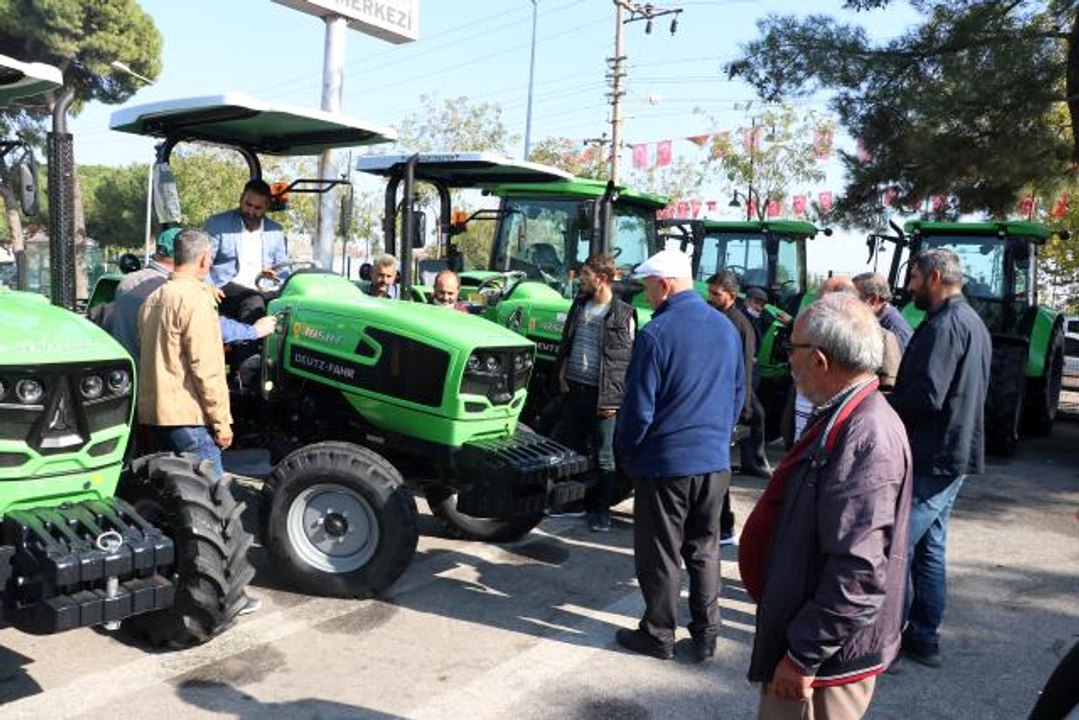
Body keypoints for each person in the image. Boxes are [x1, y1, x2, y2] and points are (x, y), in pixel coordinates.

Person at [740, 292, 912, 720]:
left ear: (819, 359)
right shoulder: (845, 414)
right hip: (816, 646)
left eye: (791, 349)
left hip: (824, 662)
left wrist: (803, 655)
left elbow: (859, 570)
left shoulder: (865, 434)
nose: (789, 360)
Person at [614, 249, 744, 664]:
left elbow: (639, 408)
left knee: (661, 553)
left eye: (650, 288)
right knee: (705, 548)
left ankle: (658, 634)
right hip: (714, 462)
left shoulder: (657, 333)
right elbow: (738, 391)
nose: (647, 296)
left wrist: (626, 450)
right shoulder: (725, 328)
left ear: (666, 284)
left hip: (667, 464)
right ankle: (706, 636)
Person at [888, 248, 991, 669]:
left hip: (935, 455)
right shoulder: (968, 321)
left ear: (932, 277)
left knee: (895, 549)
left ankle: (885, 643)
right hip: (952, 454)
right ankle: (923, 637)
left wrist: (881, 406)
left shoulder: (947, 324)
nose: (909, 286)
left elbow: (927, 396)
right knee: (930, 549)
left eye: (913, 277)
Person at [137, 229, 234, 478]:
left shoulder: (152, 299)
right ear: (204, 259)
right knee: (214, 498)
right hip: (189, 418)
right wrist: (221, 423)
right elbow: (206, 369)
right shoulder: (197, 301)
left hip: (154, 416)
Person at [108, 226, 276, 366]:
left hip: (130, 374)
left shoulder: (127, 282)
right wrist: (255, 331)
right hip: (165, 381)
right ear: (186, 256)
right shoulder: (176, 293)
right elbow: (214, 328)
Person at [552, 253, 636, 533]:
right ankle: (570, 504)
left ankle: (601, 511)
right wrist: (563, 372)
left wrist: (614, 400)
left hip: (603, 397)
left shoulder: (624, 314)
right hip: (574, 389)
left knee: (604, 455)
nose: (581, 278)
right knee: (571, 450)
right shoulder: (579, 305)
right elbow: (568, 341)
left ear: (600, 279)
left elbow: (624, 362)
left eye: (586, 274)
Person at [707, 271, 769, 548]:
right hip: (710, 402)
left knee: (717, 470)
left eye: (716, 294)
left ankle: (725, 525)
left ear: (731, 296)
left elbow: (743, 372)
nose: (711, 298)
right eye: (710, 293)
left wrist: (739, 412)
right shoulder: (713, 318)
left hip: (724, 408)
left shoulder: (740, 325)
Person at [204, 179, 288, 323]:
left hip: (264, 288)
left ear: (267, 206)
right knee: (253, 301)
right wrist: (208, 285)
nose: (251, 211)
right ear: (241, 198)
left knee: (291, 305)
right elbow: (202, 260)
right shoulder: (218, 224)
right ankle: (248, 344)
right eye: (248, 205)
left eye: (257, 208)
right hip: (226, 286)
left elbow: (282, 267)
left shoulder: (275, 231)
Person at [853, 271, 914, 352]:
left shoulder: (895, 333)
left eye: (854, 297)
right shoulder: (875, 320)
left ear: (873, 300)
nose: (848, 302)